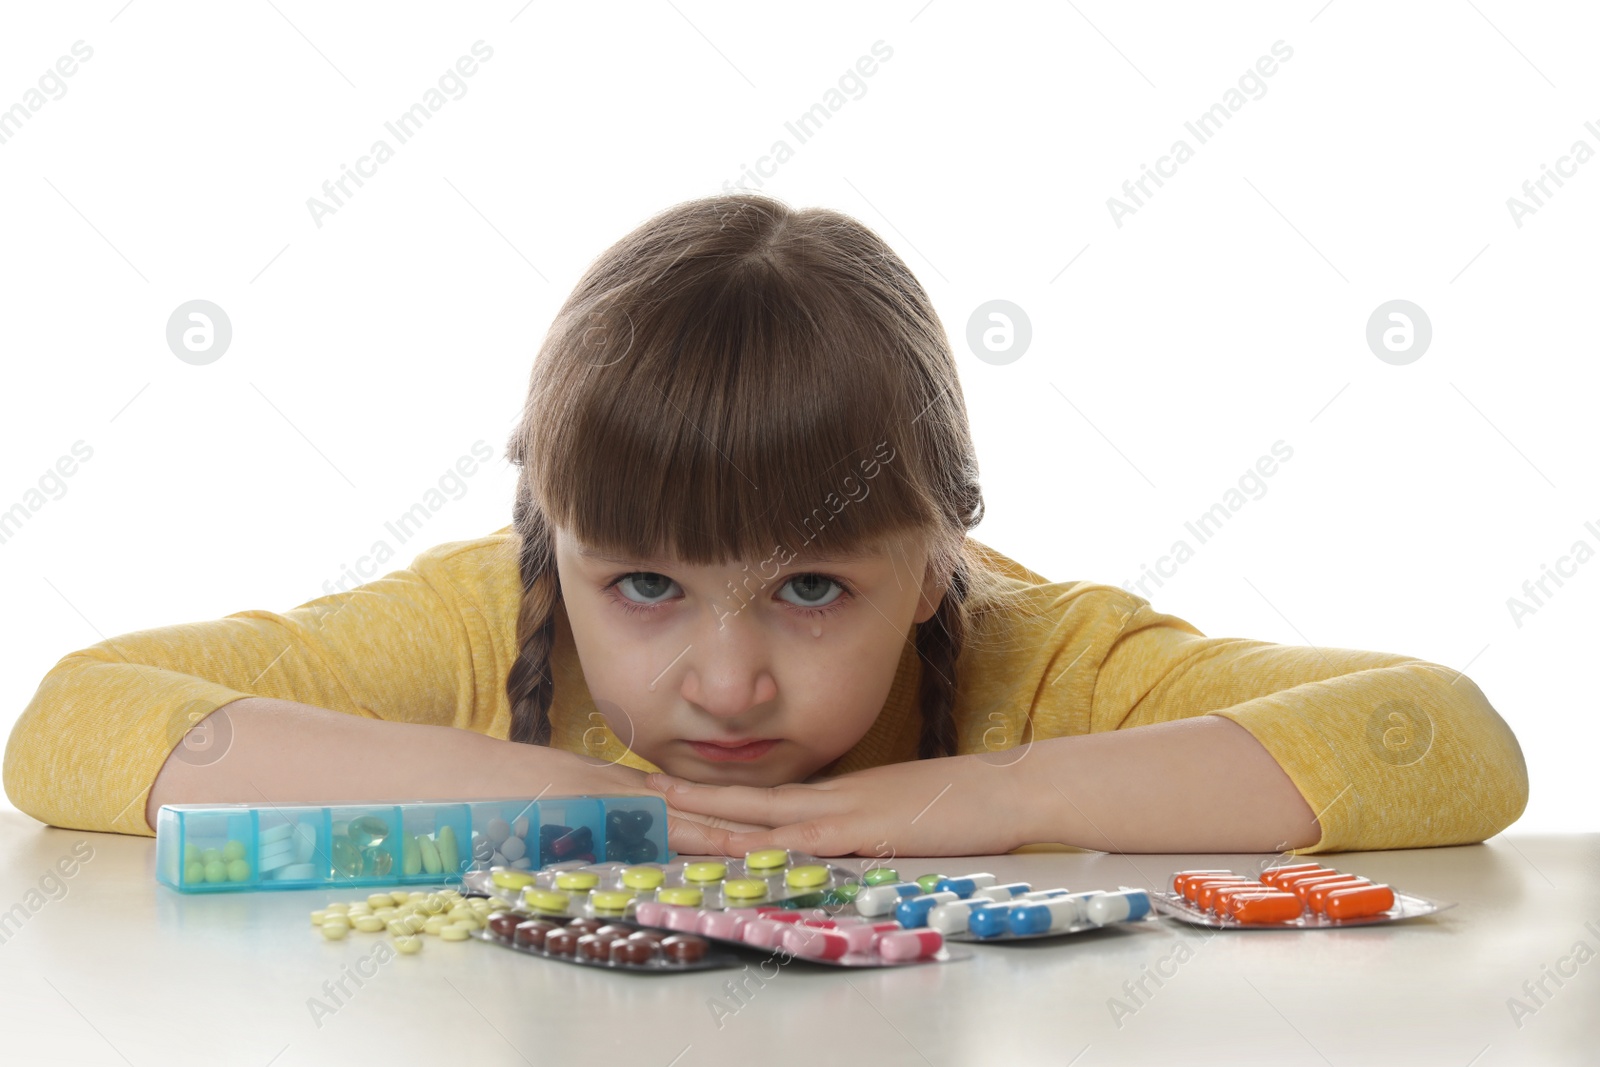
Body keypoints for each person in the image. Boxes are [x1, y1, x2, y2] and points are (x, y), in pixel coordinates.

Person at [3, 193, 1527, 859]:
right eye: (648, 584)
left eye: (809, 589)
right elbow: (76, 720)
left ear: (937, 562)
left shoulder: (1032, 657)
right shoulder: (493, 625)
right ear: (558, 546)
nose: (725, 683)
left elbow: (1448, 738)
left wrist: (983, 801)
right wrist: (522, 785)